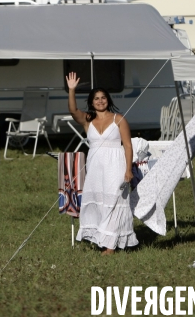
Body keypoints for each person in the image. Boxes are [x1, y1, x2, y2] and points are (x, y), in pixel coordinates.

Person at [66, 72, 138, 255]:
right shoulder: (87, 120)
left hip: (116, 165)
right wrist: (72, 90)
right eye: (96, 99)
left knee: (114, 200)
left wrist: (128, 169)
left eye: (103, 98)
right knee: (99, 202)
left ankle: (111, 245)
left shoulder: (118, 119)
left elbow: (128, 145)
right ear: (91, 102)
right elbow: (73, 111)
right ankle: (102, 237)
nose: (100, 101)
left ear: (108, 100)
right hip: (96, 167)